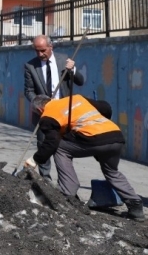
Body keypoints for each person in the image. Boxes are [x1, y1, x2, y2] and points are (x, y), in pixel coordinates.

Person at [25, 94, 145, 222]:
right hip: (115, 136)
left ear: (39, 110)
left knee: (59, 147)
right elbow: (106, 108)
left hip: (94, 139)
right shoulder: (76, 98)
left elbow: (51, 143)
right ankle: (135, 206)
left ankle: (68, 193)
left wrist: (34, 160)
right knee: (111, 172)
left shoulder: (47, 116)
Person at [24, 35, 84, 181]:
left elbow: (80, 81)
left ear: (51, 47)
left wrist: (73, 70)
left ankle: (65, 182)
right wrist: (37, 103)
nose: (40, 54)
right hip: (44, 114)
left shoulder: (64, 61)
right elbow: (28, 91)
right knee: (43, 146)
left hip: (64, 114)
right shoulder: (30, 66)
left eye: (43, 50)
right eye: (36, 51)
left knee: (63, 148)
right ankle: (45, 180)